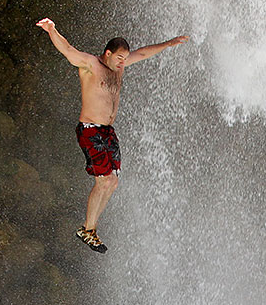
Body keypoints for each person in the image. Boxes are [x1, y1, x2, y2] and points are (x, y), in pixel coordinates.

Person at [35, 18, 188, 253]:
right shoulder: (90, 64)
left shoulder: (120, 67)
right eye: (119, 58)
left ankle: (90, 230)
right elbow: (67, 49)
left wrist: (168, 44)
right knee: (104, 180)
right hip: (90, 129)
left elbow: (143, 53)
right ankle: (87, 229)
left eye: (125, 59)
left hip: (107, 131)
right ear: (108, 53)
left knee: (112, 181)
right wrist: (52, 30)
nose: (123, 62)